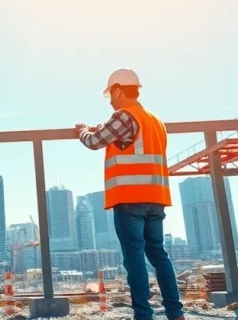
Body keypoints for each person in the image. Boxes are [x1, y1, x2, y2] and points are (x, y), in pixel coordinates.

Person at [74, 68, 184, 320]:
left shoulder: (123, 116)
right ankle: (176, 313)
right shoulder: (156, 121)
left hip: (130, 199)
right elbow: (127, 140)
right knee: (159, 255)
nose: (111, 100)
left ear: (118, 90)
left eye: (110, 95)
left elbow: (93, 141)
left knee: (134, 258)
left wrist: (81, 130)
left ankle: (143, 315)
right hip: (156, 198)